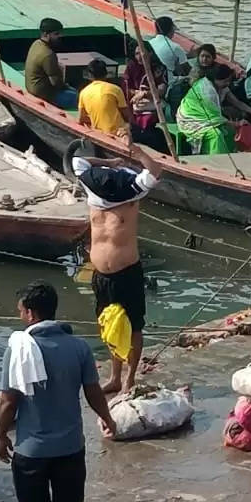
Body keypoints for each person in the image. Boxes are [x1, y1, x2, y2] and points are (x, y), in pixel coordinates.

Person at [0, 281, 117, 502]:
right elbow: (93, 392)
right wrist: (107, 417)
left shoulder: (18, 347)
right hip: (69, 448)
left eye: (22, 311)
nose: (21, 317)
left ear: (32, 313)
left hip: (30, 450)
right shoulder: (78, 347)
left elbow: (9, 401)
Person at [70, 149, 161, 394]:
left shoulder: (132, 194)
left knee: (133, 327)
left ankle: (130, 377)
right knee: (109, 324)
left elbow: (154, 170)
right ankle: (115, 376)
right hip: (101, 274)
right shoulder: (92, 188)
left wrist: (138, 152)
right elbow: (78, 160)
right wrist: (109, 161)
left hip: (127, 271)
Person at [24, 18, 77, 109]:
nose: (60, 36)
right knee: (81, 98)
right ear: (45, 34)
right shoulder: (48, 54)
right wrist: (67, 86)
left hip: (31, 88)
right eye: (56, 34)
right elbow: (55, 83)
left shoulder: (36, 44)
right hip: (44, 94)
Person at [76, 58, 130, 136]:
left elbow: (81, 119)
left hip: (99, 133)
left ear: (90, 75)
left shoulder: (83, 92)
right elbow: (126, 115)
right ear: (106, 74)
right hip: (118, 133)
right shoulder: (115, 89)